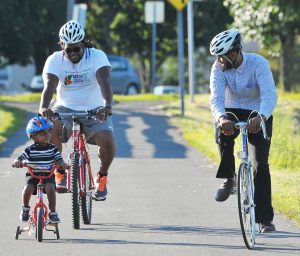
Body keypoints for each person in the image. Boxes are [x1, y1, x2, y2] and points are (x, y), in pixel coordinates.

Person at [209, 29, 278, 232]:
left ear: (233, 53)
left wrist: (261, 117)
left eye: (221, 57)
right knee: (223, 134)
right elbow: (216, 98)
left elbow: (269, 94)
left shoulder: (259, 64)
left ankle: (265, 219)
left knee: (260, 165)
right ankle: (229, 178)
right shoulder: (218, 68)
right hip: (231, 109)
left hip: (257, 111)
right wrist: (221, 118)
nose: (219, 61)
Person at [39, 20, 116, 201]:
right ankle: (60, 172)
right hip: (64, 107)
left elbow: (105, 81)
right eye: (69, 49)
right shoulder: (55, 60)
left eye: (77, 49)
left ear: (84, 44)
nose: (73, 53)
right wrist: (43, 107)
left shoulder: (97, 56)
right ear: (62, 47)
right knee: (50, 130)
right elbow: (50, 85)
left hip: (95, 108)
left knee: (108, 141)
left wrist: (107, 105)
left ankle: (102, 177)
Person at [13, 116, 67, 223]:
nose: (47, 135)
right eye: (43, 134)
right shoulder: (30, 149)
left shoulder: (53, 148)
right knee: (28, 188)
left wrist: (62, 164)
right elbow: (20, 157)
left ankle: (53, 212)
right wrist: (17, 161)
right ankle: (25, 208)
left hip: (48, 174)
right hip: (33, 174)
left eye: (48, 132)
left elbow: (59, 159)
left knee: (51, 188)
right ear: (33, 137)